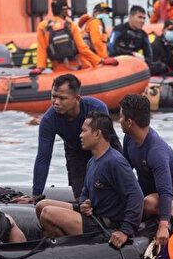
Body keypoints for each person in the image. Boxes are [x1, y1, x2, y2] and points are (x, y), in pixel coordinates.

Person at [36, 113, 142, 247]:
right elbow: (85, 191)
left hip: (104, 224)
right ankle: (64, 243)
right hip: (91, 215)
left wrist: (125, 231)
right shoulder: (93, 161)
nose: (80, 135)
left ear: (97, 134)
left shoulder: (115, 162)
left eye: (84, 131)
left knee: (48, 213)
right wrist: (83, 204)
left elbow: (136, 196)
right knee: (41, 205)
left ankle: (61, 252)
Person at [17, 74, 109, 203]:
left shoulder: (96, 108)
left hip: (101, 151)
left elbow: (110, 144)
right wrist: (36, 194)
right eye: (54, 96)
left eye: (62, 98)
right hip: (75, 153)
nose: (56, 102)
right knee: (81, 200)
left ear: (76, 98)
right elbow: (43, 157)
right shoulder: (49, 120)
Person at [118, 94, 173, 247]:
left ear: (129, 122)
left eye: (121, 117)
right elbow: (126, 172)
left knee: (148, 203)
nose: (119, 120)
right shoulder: (129, 138)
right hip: (145, 190)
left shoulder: (156, 151)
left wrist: (163, 226)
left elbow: (166, 191)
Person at [33, 0, 104, 74]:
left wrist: (40, 67)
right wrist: (100, 60)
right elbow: (82, 48)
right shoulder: (71, 25)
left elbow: (41, 49)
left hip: (58, 70)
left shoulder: (43, 26)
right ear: (64, 11)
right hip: (79, 68)